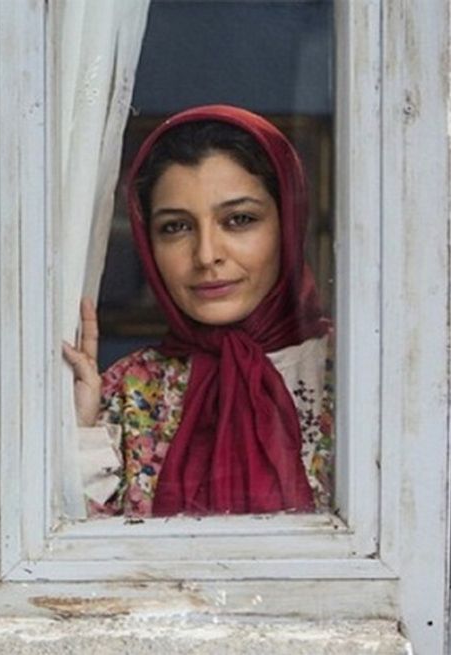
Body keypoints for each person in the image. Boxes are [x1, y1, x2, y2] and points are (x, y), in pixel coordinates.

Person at [64, 105, 333, 518]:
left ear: (289, 225)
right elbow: (76, 549)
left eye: (239, 219)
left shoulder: (352, 376)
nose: (206, 255)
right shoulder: (129, 392)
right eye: (176, 227)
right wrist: (77, 432)